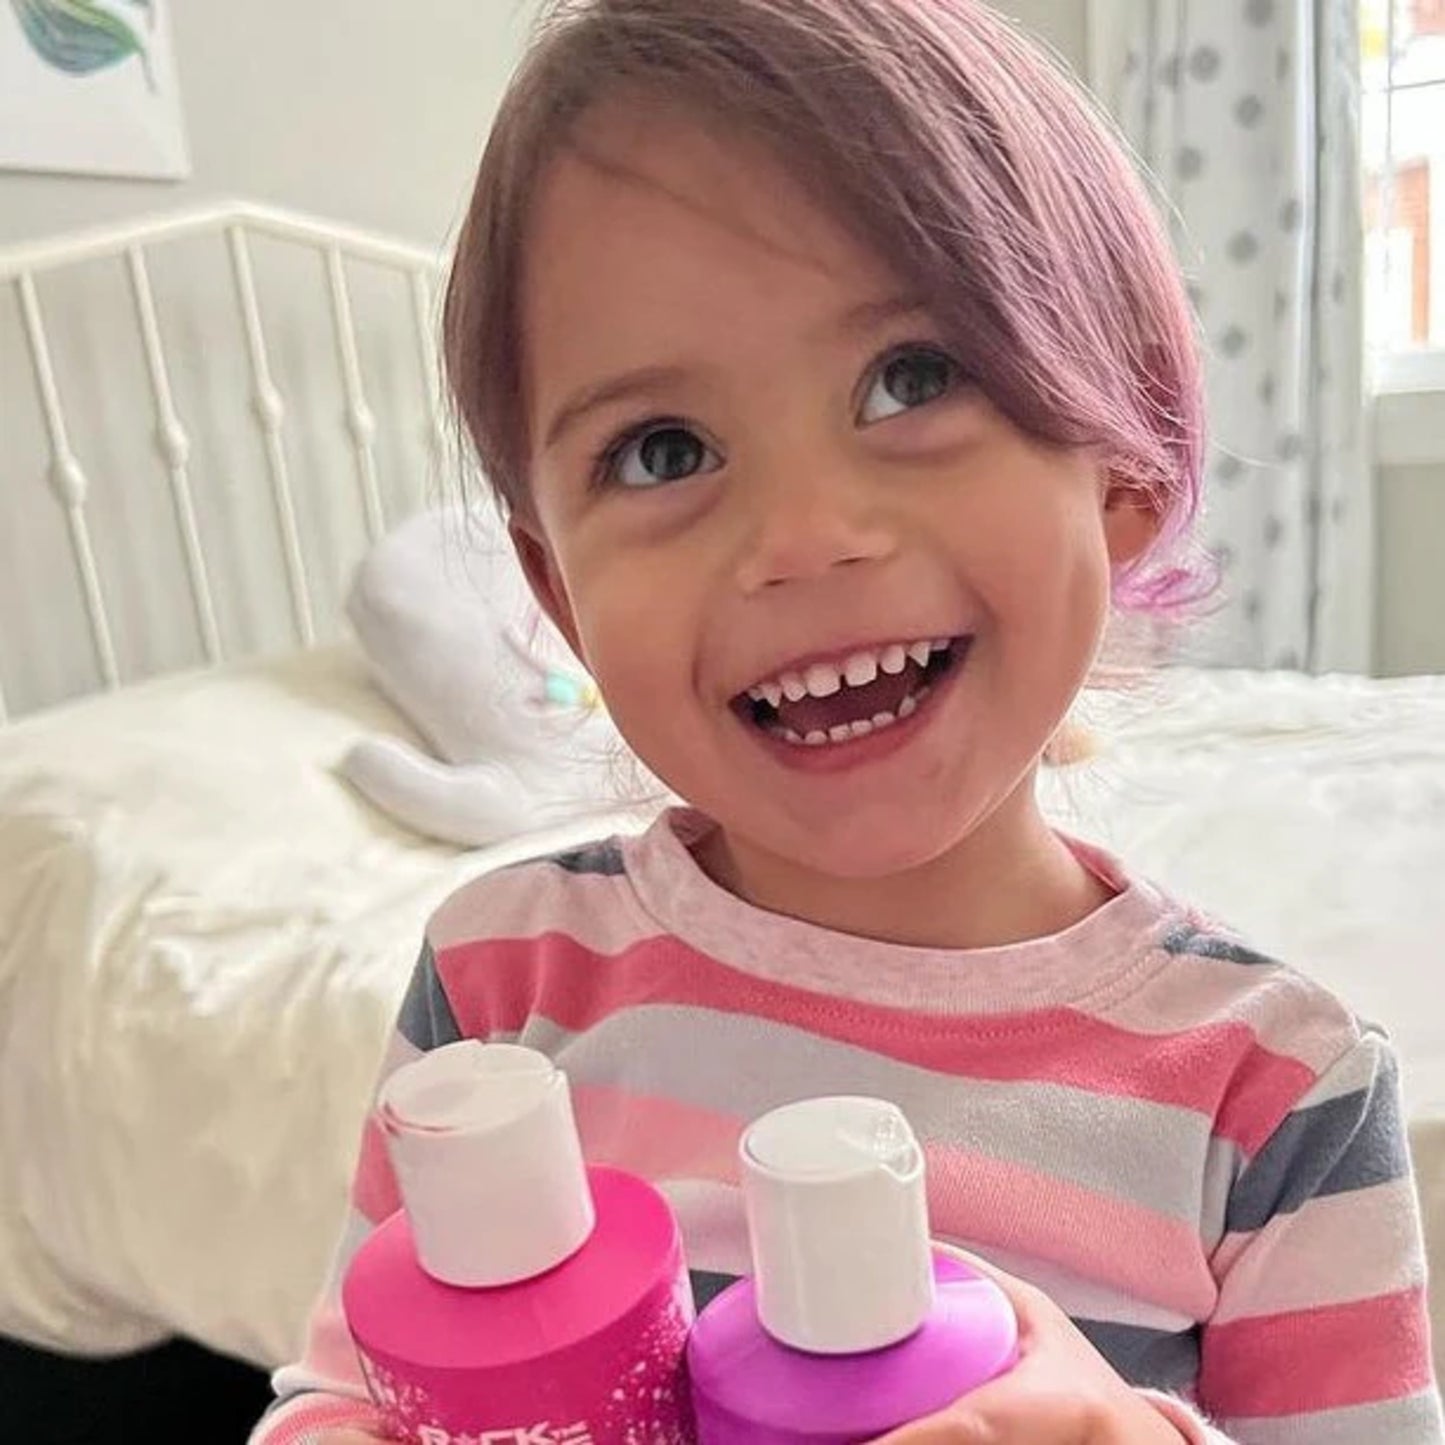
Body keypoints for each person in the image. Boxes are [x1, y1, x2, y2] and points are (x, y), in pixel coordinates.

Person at [251, 1, 1441, 1441]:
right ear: (558, 591)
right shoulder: (502, 985)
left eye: (911, 379)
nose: (804, 537)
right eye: (664, 451)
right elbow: (350, 1391)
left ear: (1123, 458)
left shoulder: (1279, 1093)